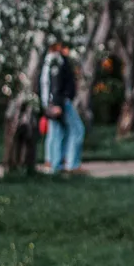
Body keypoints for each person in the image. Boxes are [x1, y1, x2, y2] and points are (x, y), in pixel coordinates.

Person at [39, 41, 85, 174]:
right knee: (77, 130)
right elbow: (55, 83)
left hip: (52, 102)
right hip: (60, 102)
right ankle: (72, 164)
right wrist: (58, 104)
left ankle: (54, 163)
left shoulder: (48, 60)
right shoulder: (56, 61)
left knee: (56, 132)